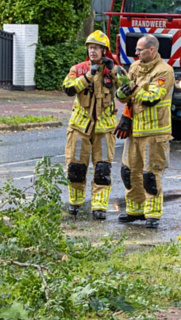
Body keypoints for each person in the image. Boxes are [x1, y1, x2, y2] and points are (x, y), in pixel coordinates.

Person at [62, 31, 126, 219]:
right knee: (76, 168)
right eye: (90, 47)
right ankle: (75, 203)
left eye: (96, 48)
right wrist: (88, 76)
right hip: (80, 127)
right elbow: (68, 88)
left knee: (102, 170)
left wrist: (114, 71)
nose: (92, 51)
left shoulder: (114, 69)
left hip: (104, 129)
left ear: (104, 50)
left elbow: (128, 89)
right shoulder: (79, 69)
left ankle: (99, 206)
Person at [115, 34, 174, 229]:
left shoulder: (164, 71)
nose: (135, 53)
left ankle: (153, 214)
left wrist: (133, 88)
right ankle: (135, 211)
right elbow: (126, 97)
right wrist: (121, 94)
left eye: (139, 50)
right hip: (134, 132)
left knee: (150, 175)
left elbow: (153, 97)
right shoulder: (134, 67)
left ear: (152, 50)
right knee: (129, 172)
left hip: (155, 133)